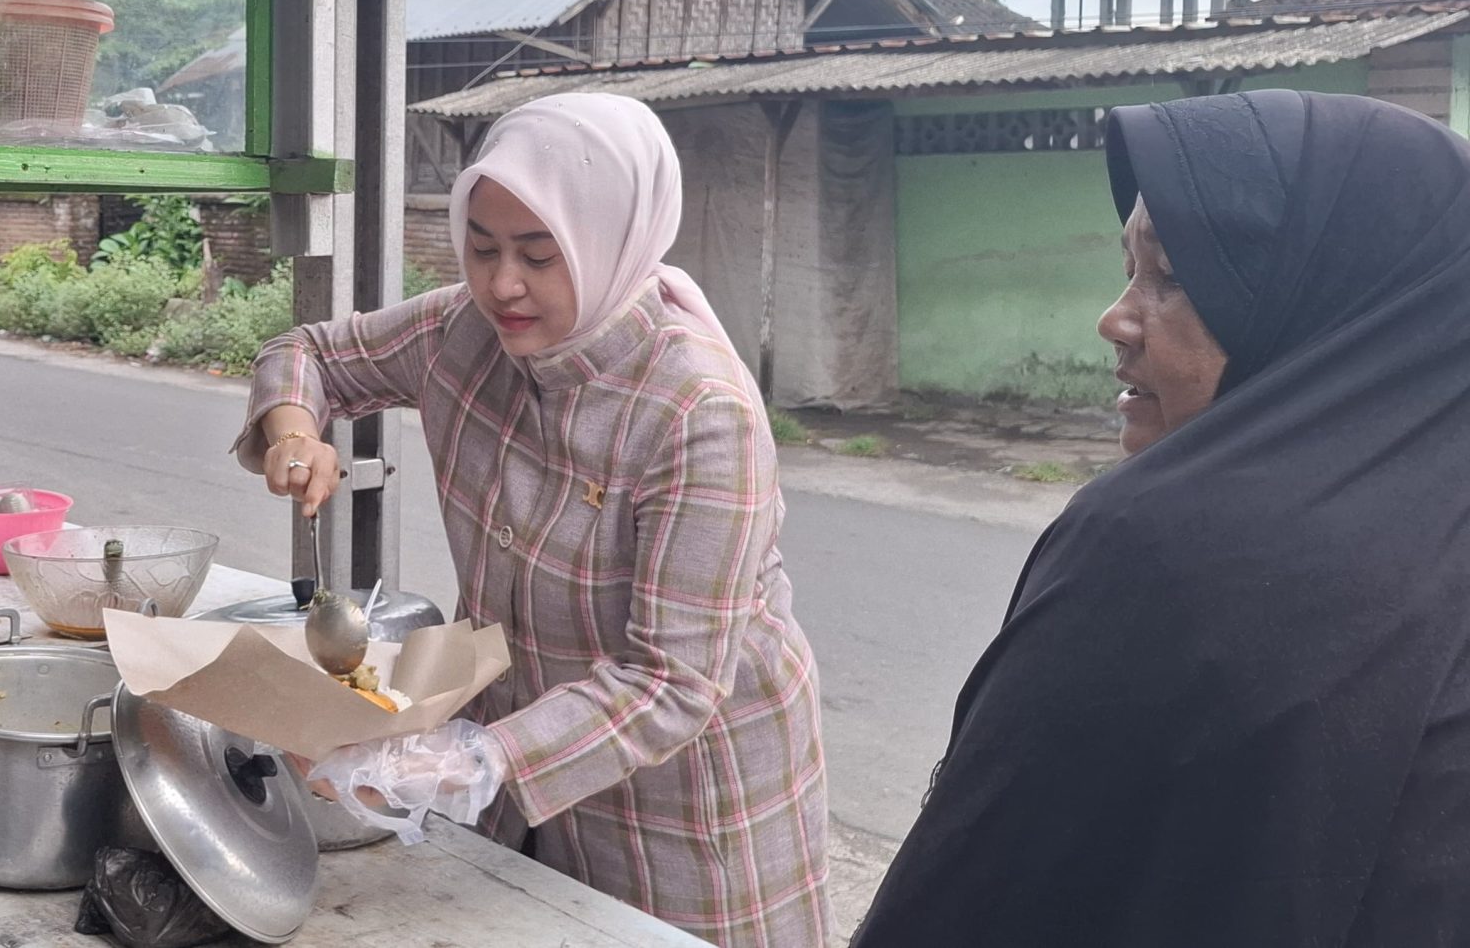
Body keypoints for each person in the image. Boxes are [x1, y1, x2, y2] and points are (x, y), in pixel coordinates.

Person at [851, 90, 1470, 946]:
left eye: (1175, 277)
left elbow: (973, 886)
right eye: (1129, 267)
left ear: (1330, 300)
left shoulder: (1168, 547)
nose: (1115, 318)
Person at [240, 93, 832, 948]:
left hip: (685, 799)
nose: (502, 284)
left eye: (539, 254)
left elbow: (670, 684)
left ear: (611, 242)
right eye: (482, 248)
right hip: (514, 764)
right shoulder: (463, 331)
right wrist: (296, 430)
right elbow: (311, 353)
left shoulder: (699, 411)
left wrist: (468, 761)